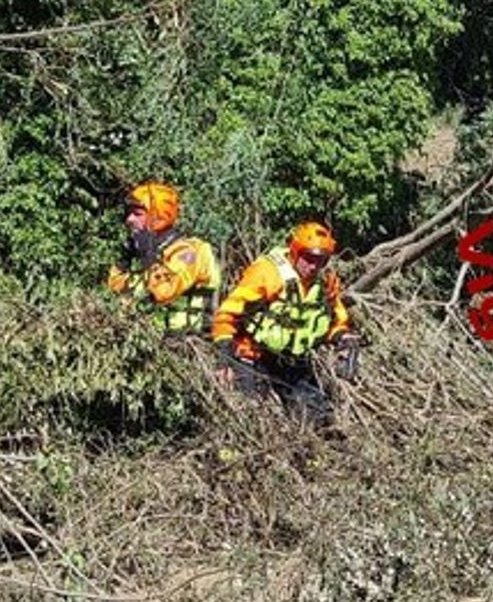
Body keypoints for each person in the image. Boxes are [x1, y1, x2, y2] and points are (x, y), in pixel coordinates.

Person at [212, 220, 360, 425]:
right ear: (295, 251)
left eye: (321, 260)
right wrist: (224, 358)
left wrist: (345, 337)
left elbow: (336, 319)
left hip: (292, 359)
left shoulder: (326, 282)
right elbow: (228, 314)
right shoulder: (267, 273)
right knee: (253, 419)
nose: (313, 266)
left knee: (318, 420)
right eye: (309, 258)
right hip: (253, 354)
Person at [105, 181, 220, 334]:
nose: (129, 220)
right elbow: (113, 289)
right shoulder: (145, 250)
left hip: (182, 344)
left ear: (159, 216)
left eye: (137, 214)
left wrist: (147, 255)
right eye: (129, 213)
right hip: (143, 338)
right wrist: (123, 261)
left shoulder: (189, 252)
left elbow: (164, 292)